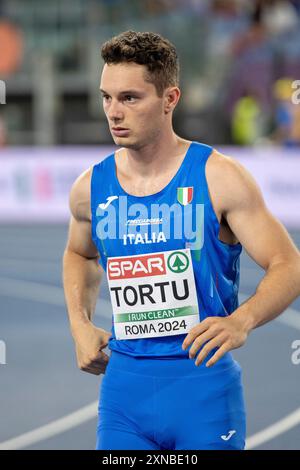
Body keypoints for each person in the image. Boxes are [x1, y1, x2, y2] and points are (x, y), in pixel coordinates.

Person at [62, 30, 300, 450]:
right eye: (107, 97)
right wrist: (80, 325)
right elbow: (79, 253)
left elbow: (288, 263)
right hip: (123, 396)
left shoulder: (219, 177)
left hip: (202, 392)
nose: (113, 113)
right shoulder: (90, 187)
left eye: (130, 98)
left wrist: (240, 321)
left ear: (170, 99)